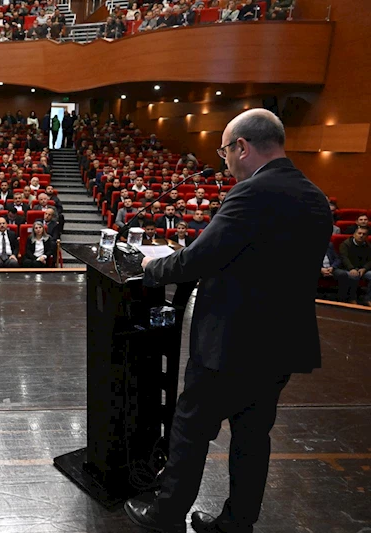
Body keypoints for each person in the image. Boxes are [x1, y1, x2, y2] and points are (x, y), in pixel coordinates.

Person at [126, 109, 333, 533]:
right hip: (281, 346)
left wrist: (150, 265)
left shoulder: (251, 194)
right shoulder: (315, 196)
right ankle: (238, 523)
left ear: (242, 146)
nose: (225, 161)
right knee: (253, 439)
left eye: (225, 151)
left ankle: (167, 515)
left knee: (190, 430)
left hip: (231, 344)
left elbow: (199, 259)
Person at [337, 226, 371, 305]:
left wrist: (364, 268)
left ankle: (368, 299)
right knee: (353, 276)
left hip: (361, 269)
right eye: (359, 233)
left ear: (366, 236)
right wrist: (351, 268)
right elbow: (344, 258)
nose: (361, 235)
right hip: (347, 268)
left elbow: (370, 260)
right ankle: (352, 298)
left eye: (364, 234)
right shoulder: (345, 244)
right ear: (354, 234)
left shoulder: (368, 246)